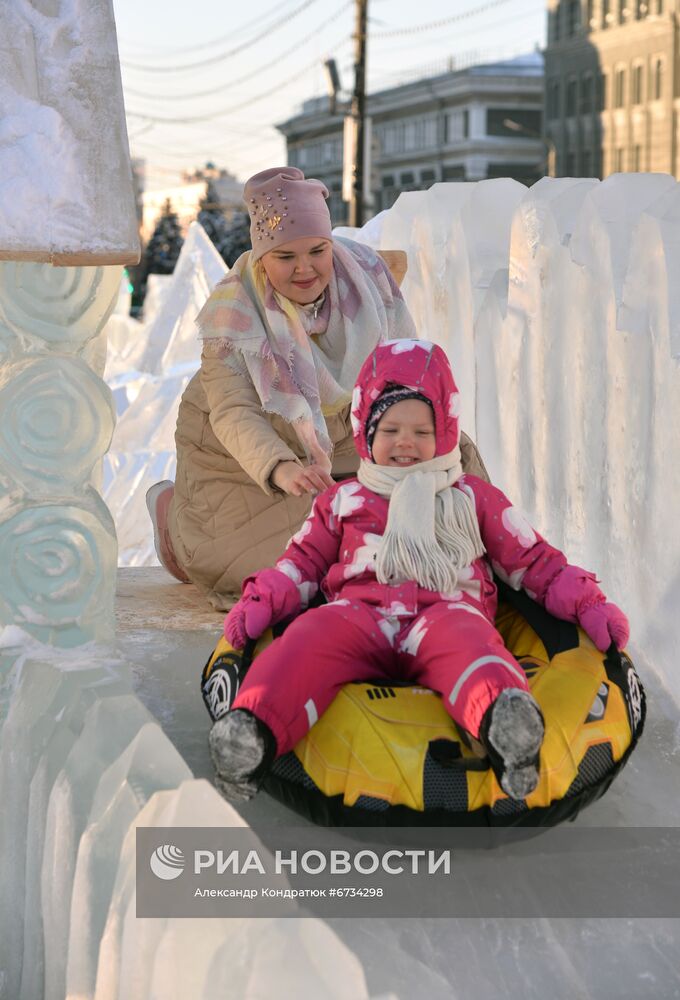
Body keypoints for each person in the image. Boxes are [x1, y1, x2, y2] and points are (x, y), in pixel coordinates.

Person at [209, 339, 630, 802]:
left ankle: (507, 728)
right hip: (358, 615)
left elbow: (533, 561)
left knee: (473, 646)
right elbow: (303, 561)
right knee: (308, 639)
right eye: (390, 429)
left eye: (420, 430)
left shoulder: (472, 496)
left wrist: (588, 600)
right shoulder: (342, 500)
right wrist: (264, 597)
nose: (404, 443)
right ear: (366, 432)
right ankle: (253, 733)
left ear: (445, 432)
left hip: (445, 612)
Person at [146, 166, 489, 609]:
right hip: (248, 457)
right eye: (285, 257)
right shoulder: (234, 315)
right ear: (262, 256)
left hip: (350, 440)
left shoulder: (368, 285)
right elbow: (234, 412)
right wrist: (279, 468)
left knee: (451, 478)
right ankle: (173, 522)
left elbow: (404, 378)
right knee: (285, 569)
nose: (305, 268)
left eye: (317, 250)